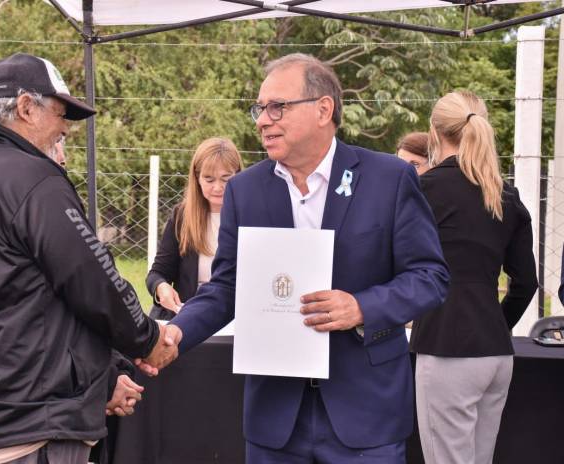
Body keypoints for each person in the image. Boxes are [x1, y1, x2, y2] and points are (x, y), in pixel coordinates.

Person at [138, 53, 449, 463]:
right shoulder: (245, 190)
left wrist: (361, 307)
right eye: (260, 109)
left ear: (323, 109)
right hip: (275, 419)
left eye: (277, 107)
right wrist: (178, 331)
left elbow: (429, 277)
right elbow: (227, 287)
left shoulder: (388, 178)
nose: (262, 121)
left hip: (366, 415)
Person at [0, 53, 176, 464]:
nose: (65, 128)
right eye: (60, 114)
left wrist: (106, 377)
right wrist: (147, 339)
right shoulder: (36, 180)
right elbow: (94, 281)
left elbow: (3, 298)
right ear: (26, 107)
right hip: (24, 427)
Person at [410, 90, 538, 464]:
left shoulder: (425, 188)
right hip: (495, 352)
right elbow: (526, 283)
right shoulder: (506, 194)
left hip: (446, 346)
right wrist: (493, 323)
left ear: (434, 132)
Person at [146, 137, 243, 320]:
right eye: (209, 179)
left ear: (238, 175)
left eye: (226, 179)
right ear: (197, 178)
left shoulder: (251, 216)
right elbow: (157, 273)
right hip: (189, 317)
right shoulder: (182, 216)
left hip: (235, 318)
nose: (218, 187)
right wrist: (161, 287)